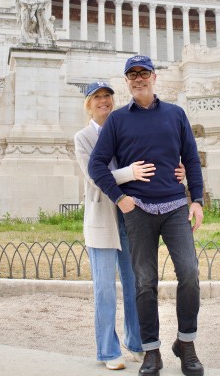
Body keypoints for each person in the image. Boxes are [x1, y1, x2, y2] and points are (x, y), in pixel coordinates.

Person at [88, 55, 205, 376]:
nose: (138, 79)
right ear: (127, 81)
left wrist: (197, 201)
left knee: (190, 274)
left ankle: (186, 344)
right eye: (132, 75)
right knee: (144, 282)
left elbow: (191, 160)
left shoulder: (175, 114)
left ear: (154, 77)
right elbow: (96, 165)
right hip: (138, 210)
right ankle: (151, 351)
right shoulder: (118, 120)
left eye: (144, 73)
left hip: (175, 207)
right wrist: (120, 197)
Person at [74, 80, 185, 371]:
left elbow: (150, 157)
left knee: (136, 283)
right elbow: (94, 176)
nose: (104, 102)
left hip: (131, 216)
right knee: (105, 289)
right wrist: (130, 172)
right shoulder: (83, 137)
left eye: (108, 96)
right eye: (97, 97)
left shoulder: (124, 126)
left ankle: (136, 344)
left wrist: (177, 168)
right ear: (89, 104)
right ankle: (109, 350)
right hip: (102, 219)